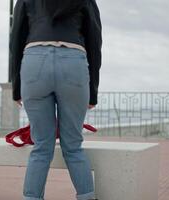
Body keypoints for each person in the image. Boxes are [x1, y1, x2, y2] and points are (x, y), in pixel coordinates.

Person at [9, 0, 102, 199]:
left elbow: (16, 41)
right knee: (73, 146)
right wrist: (93, 91)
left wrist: (16, 87)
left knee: (42, 147)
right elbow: (95, 44)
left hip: (35, 61)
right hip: (73, 61)